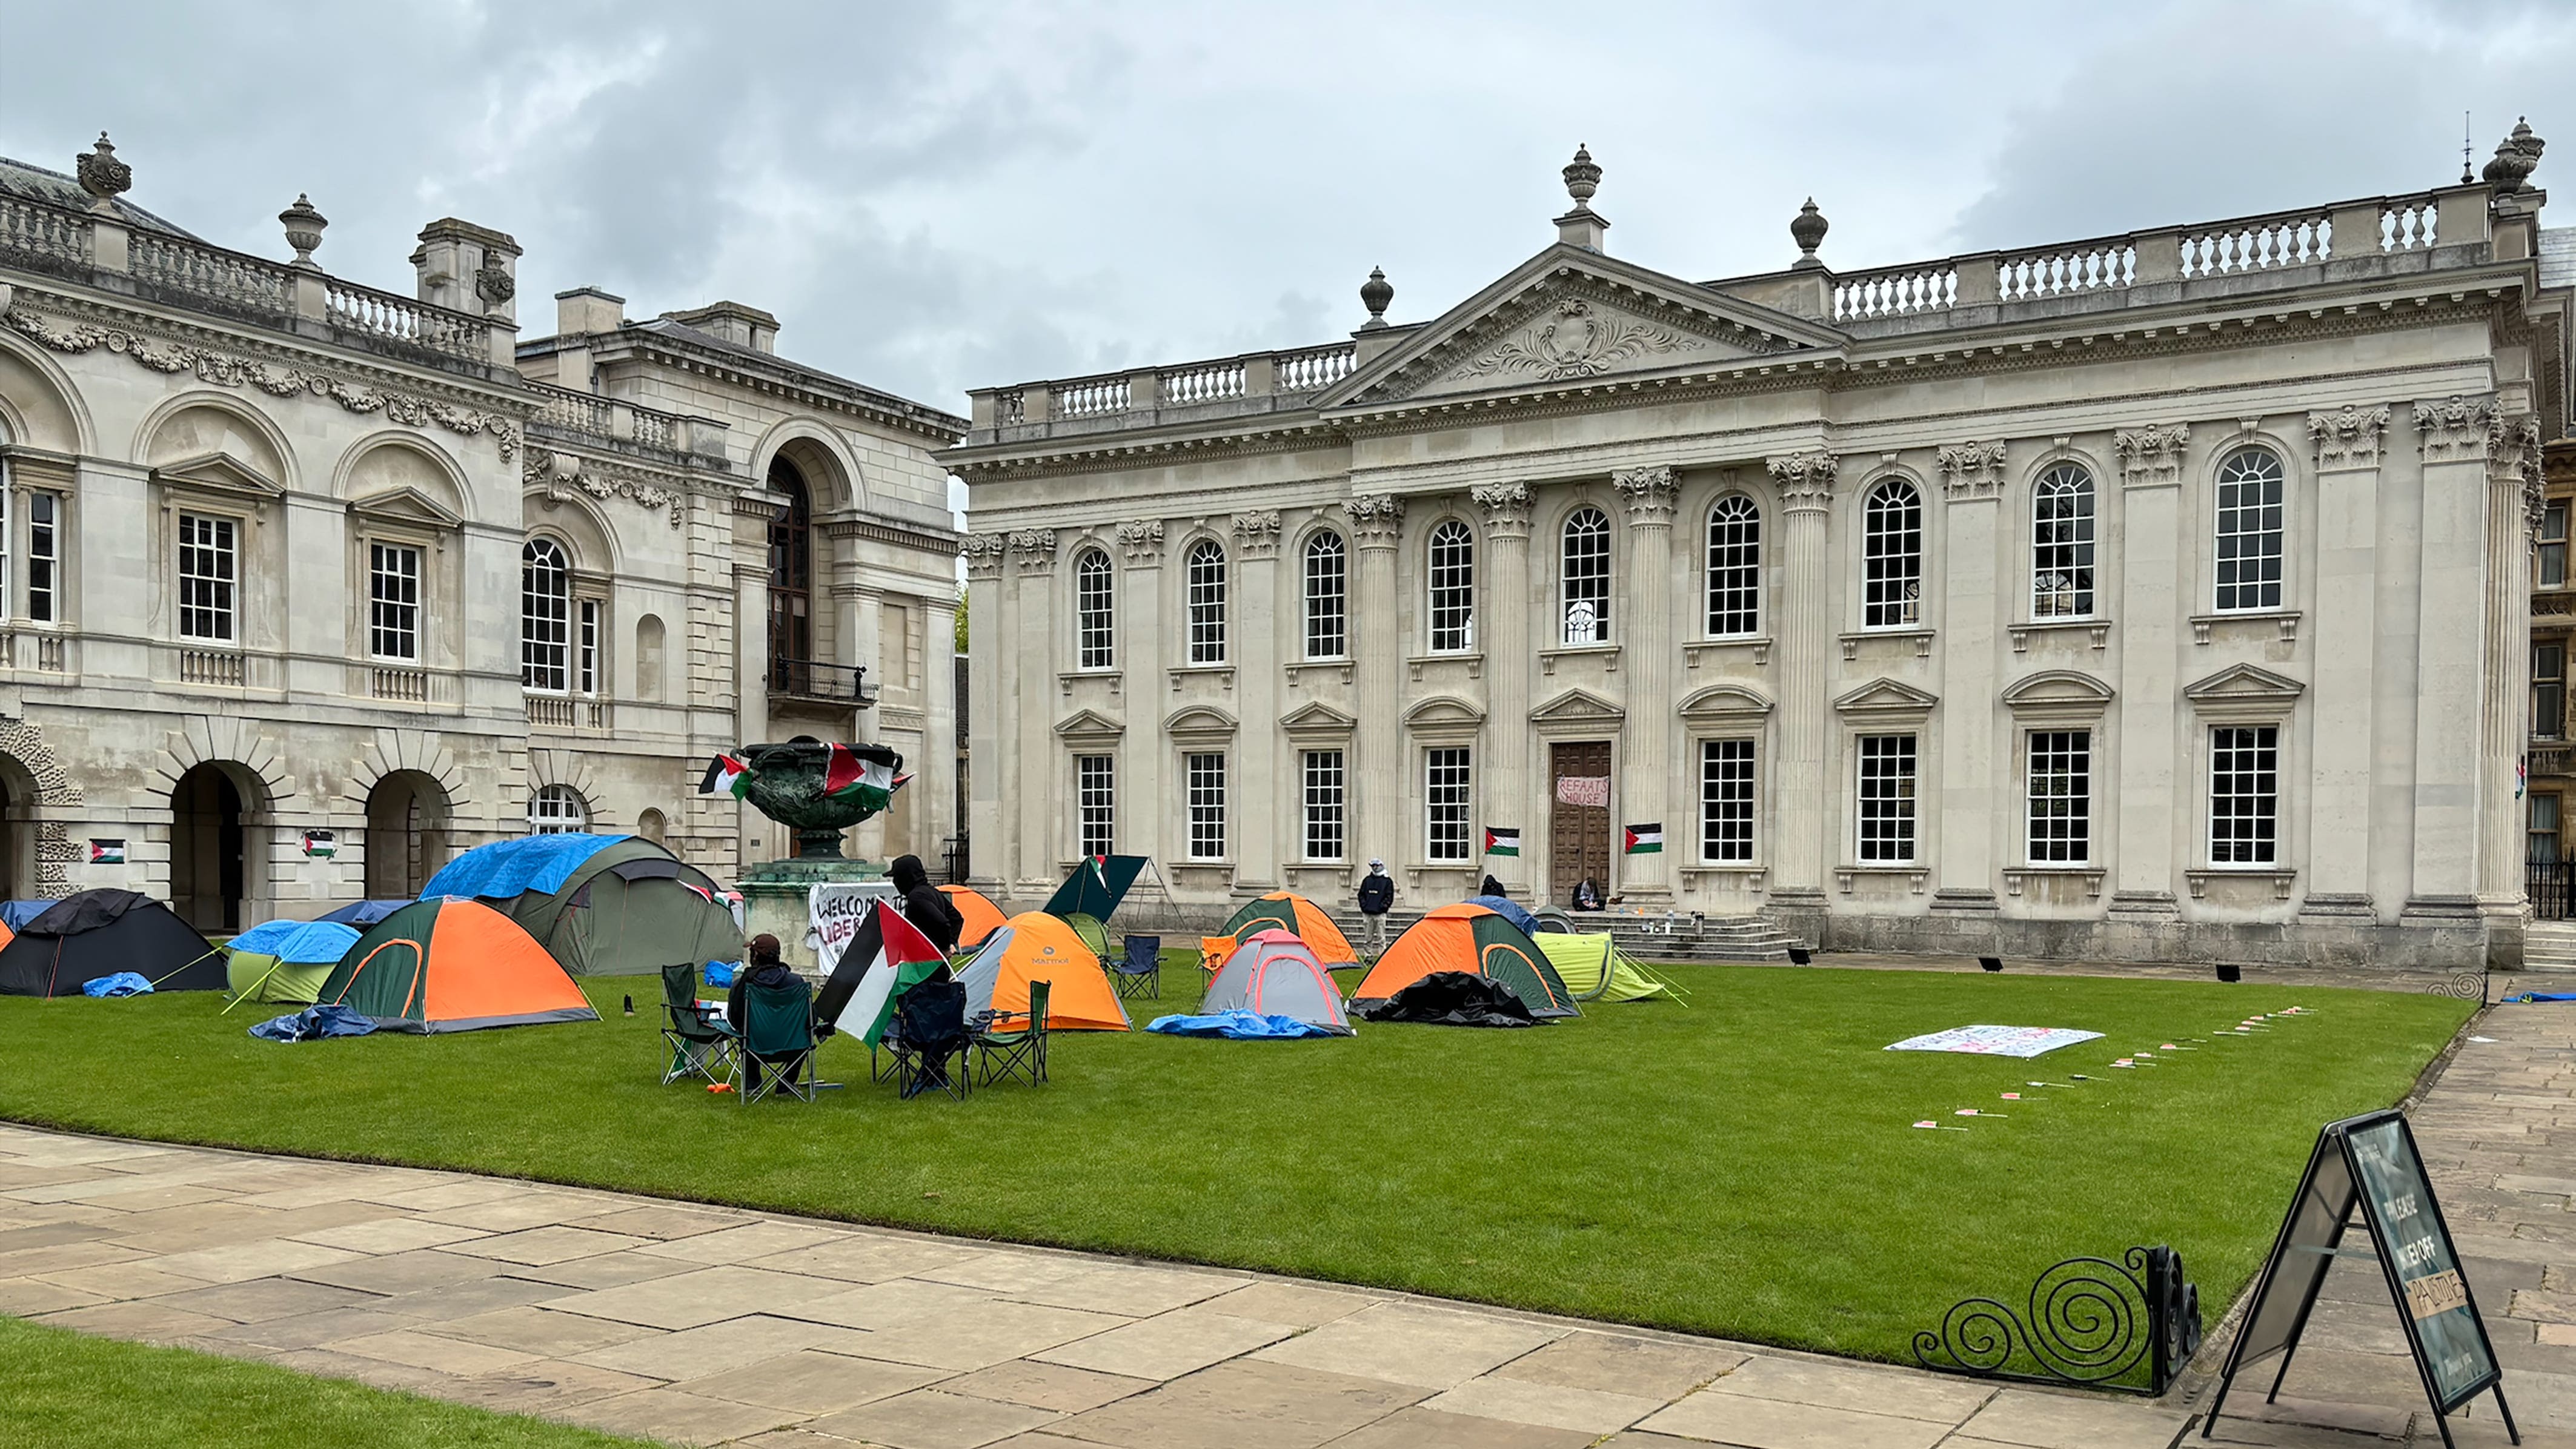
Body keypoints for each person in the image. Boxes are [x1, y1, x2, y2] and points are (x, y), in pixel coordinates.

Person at [726, 934, 809, 1092]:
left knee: (744, 1032)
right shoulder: (796, 983)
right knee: (806, 1034)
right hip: (793, 1047)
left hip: (755, 1047)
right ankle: (786, 1084)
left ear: (755, 956)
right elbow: (810, 1017)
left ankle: (753, 1084)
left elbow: (734, 1019)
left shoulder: (743, 984)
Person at [889, 854, 963, 954]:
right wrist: (951, 942)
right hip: (934, 959)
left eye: (897, 877)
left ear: (906, 877)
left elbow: (942, 922)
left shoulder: (916, 897)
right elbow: (956, 918)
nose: (895, 882)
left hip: (927, 959)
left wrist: (945, 948)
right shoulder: (932, 891)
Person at [1356, 858, 1394, 957]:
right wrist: (1364, 906)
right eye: (1373, 866)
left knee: (1381, 937)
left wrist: (1383, 907)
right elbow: (1361, 895)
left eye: (1377, 866)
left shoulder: (1387, 881)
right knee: (1368, 937)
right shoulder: (1367, 880)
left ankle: (1382, 956)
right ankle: (1368, 955)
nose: (1375, 868)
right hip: (1368, 913)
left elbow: (1389, 897)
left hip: (1380, 913)